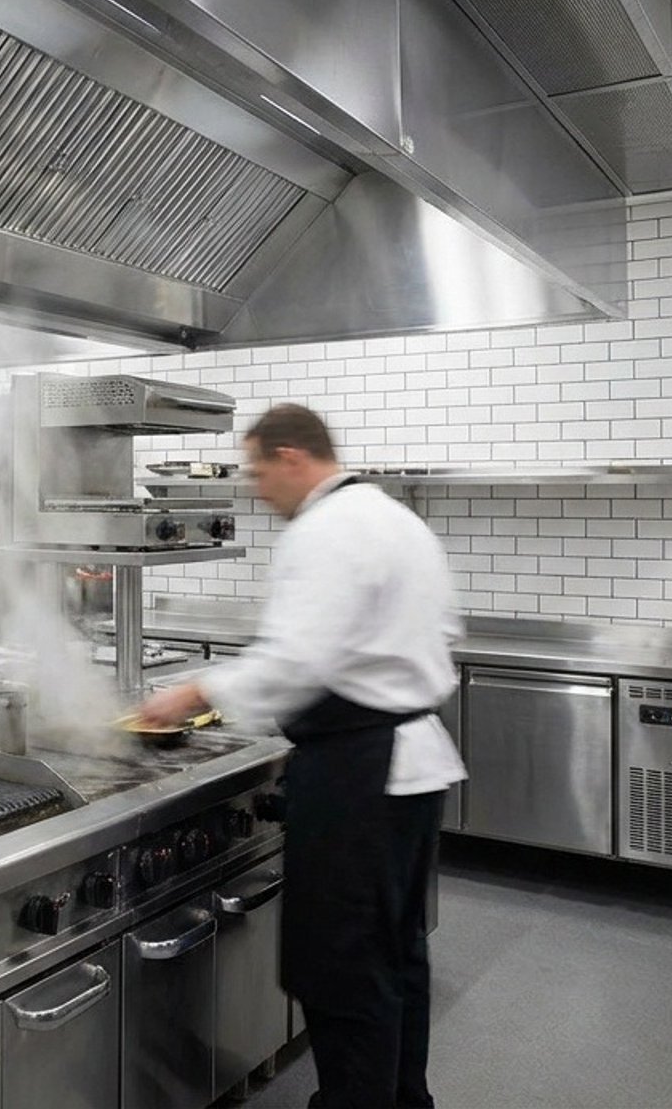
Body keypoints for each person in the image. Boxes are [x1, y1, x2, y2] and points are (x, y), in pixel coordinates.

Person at [138, 403, 464, 1109]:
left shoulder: (325, 531)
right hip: (410, 765)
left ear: (291, 456)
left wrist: (192, 690)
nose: (257, 488)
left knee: (344, 967)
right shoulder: (395, 519)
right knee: (396, 955)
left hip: (360, 771)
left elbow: (297, 657)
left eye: (258, 470)